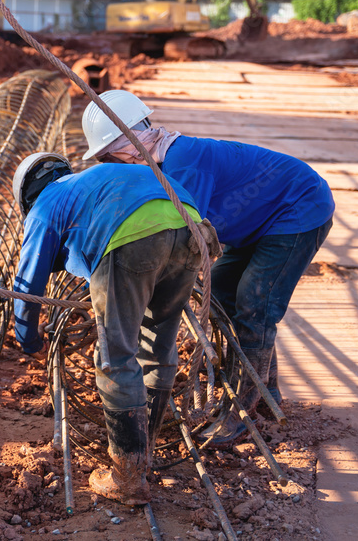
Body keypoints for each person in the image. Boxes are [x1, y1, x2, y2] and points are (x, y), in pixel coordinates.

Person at [81, 90, 335, 448]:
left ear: (130, 142)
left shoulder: (183, 162)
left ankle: (242, 415)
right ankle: (267, 393)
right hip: (256, 223)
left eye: (110, 155)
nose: (111, 164)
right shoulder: (160, 162)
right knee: (226, 292)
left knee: (253, 304)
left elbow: (189, 239)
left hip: (297, 209)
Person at [11, 152, 215, 504]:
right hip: (192, 227)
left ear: (26, 197)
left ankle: (128, 478)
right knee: (157, 342)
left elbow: (27, 286)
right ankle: (143, 449)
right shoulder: (94, 182)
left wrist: (29, 341)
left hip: (132, 236)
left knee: (116, 355)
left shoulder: (45, 206)